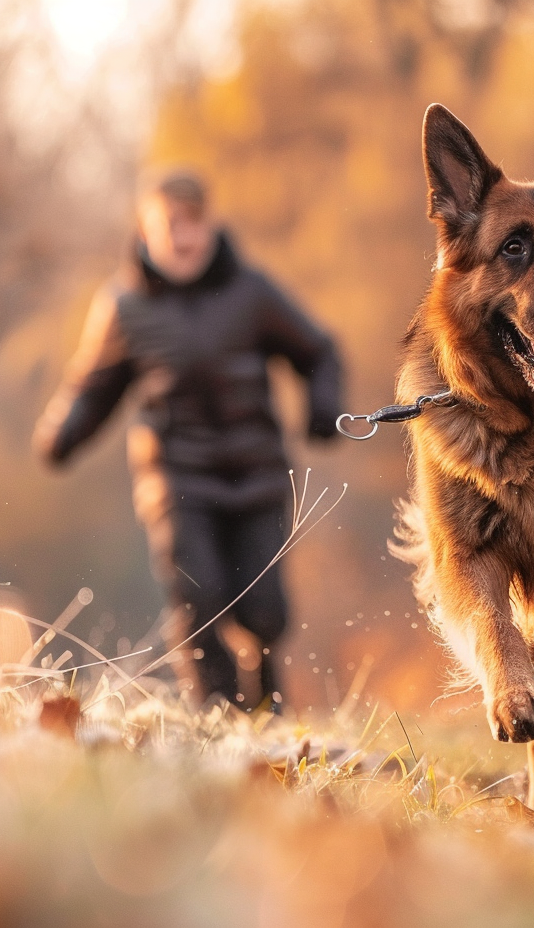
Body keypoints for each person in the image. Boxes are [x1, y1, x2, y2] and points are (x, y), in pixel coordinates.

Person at [34, 168, 342, 710]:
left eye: (193, 225)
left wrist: (322, 407)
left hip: (258, 475)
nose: (183, 239)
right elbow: (93, 386)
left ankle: (265, 694)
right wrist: (62, 432)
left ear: (210, 226)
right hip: (177, 482)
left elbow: (318, 351)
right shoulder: (125, 307)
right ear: (145, 231)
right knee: (198, 599)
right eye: (170, 226)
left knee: (266, 612)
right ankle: (216, 714)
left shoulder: (252, 291)